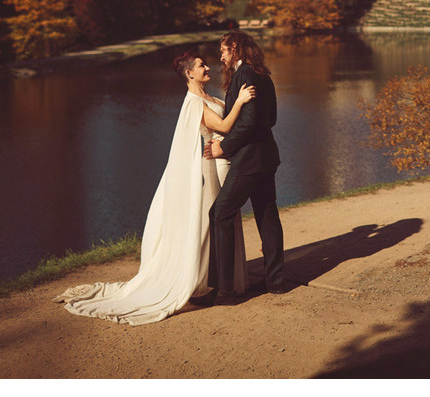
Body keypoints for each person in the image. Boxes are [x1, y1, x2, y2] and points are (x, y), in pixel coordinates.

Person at [54, 50, 255, 325]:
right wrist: (241, 102)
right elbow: (222, 125)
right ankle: (212, 283)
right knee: (213, 224)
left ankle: (218, 281)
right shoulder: (194, 103)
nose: (207, 67)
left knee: (217, 224)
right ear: (189, 73)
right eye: (200, 66)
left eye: (205, 63)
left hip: (221, 163)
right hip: (212, 170)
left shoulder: (207, 97)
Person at [195, 31, 287, 305]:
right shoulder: (263, 75)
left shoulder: (243, 75)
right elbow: (270, 119)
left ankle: (225, 291)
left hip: (248, 160)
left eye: (223, 50)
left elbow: (247, 123)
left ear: (235, 48)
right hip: (266, 156)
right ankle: (277, 282)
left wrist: (225, 147)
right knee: (267, 216)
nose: (220, 55)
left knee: (220, 213)